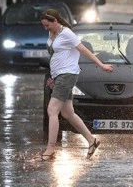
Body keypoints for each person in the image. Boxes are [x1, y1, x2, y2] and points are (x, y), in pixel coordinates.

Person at [40, 9, 114, 161]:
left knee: (52, 110)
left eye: (47, 25)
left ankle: (51, 148)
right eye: (44, 26)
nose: (45, 28)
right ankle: (92, 140)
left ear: (55, 21)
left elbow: (84, 50)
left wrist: (101, 65)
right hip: (59, 75)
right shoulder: (52, 33)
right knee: (67, 113)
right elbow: (57, 56)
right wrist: (53, 76)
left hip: (68, 75)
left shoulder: (67, 33)